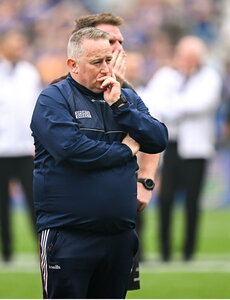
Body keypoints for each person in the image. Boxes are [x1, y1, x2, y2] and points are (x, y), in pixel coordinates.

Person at [30, 27, 168, 299]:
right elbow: (74, 151)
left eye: (108, 59)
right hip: (69, 234)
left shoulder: (123, 96)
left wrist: (120, 107)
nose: (106, 68)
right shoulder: (53, 98)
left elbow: (158, 138)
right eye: (96, 62)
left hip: (119, 235)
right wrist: (126, 150)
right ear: (73, 65)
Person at [143, 35, 222, 261]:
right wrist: (176, 105)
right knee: (165, 198)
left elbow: (201, 104)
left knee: (191, 201)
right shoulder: (166, 76)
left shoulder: (209, 77)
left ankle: (188, 251)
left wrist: (173, 105)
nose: (186, 61)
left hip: (196, 149)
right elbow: (154, 103)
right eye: (183, 56)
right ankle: (165, 250)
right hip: (171, 146)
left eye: (191, 57)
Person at [0, 29, 41, 262]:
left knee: (35, 202)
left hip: (26, 149)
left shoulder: (28, 72)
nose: (19, 48)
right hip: (1, 150)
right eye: (14, 42)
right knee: (2, 206)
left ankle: (41, 248)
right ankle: (6, 252)